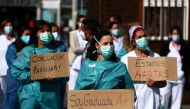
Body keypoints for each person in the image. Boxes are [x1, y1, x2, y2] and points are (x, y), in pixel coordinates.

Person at [11, 20, 65, 109]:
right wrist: (34, 75)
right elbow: (16, 72)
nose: (46, 33)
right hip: (29, 97)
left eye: (48, 31)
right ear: (36, 33)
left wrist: (55, 77)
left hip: (50, 98)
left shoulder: (57, 52)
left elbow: (64, 76)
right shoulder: (27, 51)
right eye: (42, 31)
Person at [121, 25, 166, 109]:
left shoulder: (156, 57)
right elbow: (122, 83)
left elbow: (164, 82)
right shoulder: (126, 59)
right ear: (133, 41)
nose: (143, 39)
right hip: (135, 102)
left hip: (153, 101)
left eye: (144, 36)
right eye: (139, 37)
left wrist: (156, 82)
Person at [159, 26, 190, 109]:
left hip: (179, 79)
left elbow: (187, 64)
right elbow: (160, 61)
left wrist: (183, 73)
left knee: (177, 100)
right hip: (166, 78)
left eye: (177, 34)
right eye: (174, 34)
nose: (176, 35)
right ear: (170, 35)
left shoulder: (185, 48)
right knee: (163, 96)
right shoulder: (165, 47)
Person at [6, 25, 32, 109]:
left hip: (27, 81)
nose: (28, 37)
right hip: (14, 81)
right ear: (20, 35)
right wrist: (23, 58)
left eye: (30, 34)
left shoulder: (31, 47)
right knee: (12, 103)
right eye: (26, 34)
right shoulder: (12, 47)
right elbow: (13, 63)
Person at [68, 15, 87, 90]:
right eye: (81, 22)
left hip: (85, 64)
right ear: (78, 23)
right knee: (72, 88)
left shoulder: (88, 34)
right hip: (74, 64)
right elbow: (74, 49)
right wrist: (87, 48)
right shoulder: (73, 33)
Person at [0, 19, 16, 109]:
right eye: (7, 25)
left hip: (12, 71)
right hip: (1, 71)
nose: (9, 27)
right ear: (3, 28)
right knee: (2, 94)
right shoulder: (0, 39)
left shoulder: (16, 40)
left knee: (11, 94)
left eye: (10, 25)